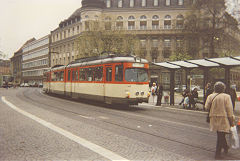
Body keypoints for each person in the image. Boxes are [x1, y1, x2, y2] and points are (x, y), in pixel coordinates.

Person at [205, 81, 234, 160]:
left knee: (220, 134)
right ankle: (217, 154)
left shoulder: (210, 96)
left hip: (213, 118)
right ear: (223, 89)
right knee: (221, 134)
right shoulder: (226, 97)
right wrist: (231, 120)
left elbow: (206, 107)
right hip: (223, 118)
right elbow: (229, 110)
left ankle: (225, 147)